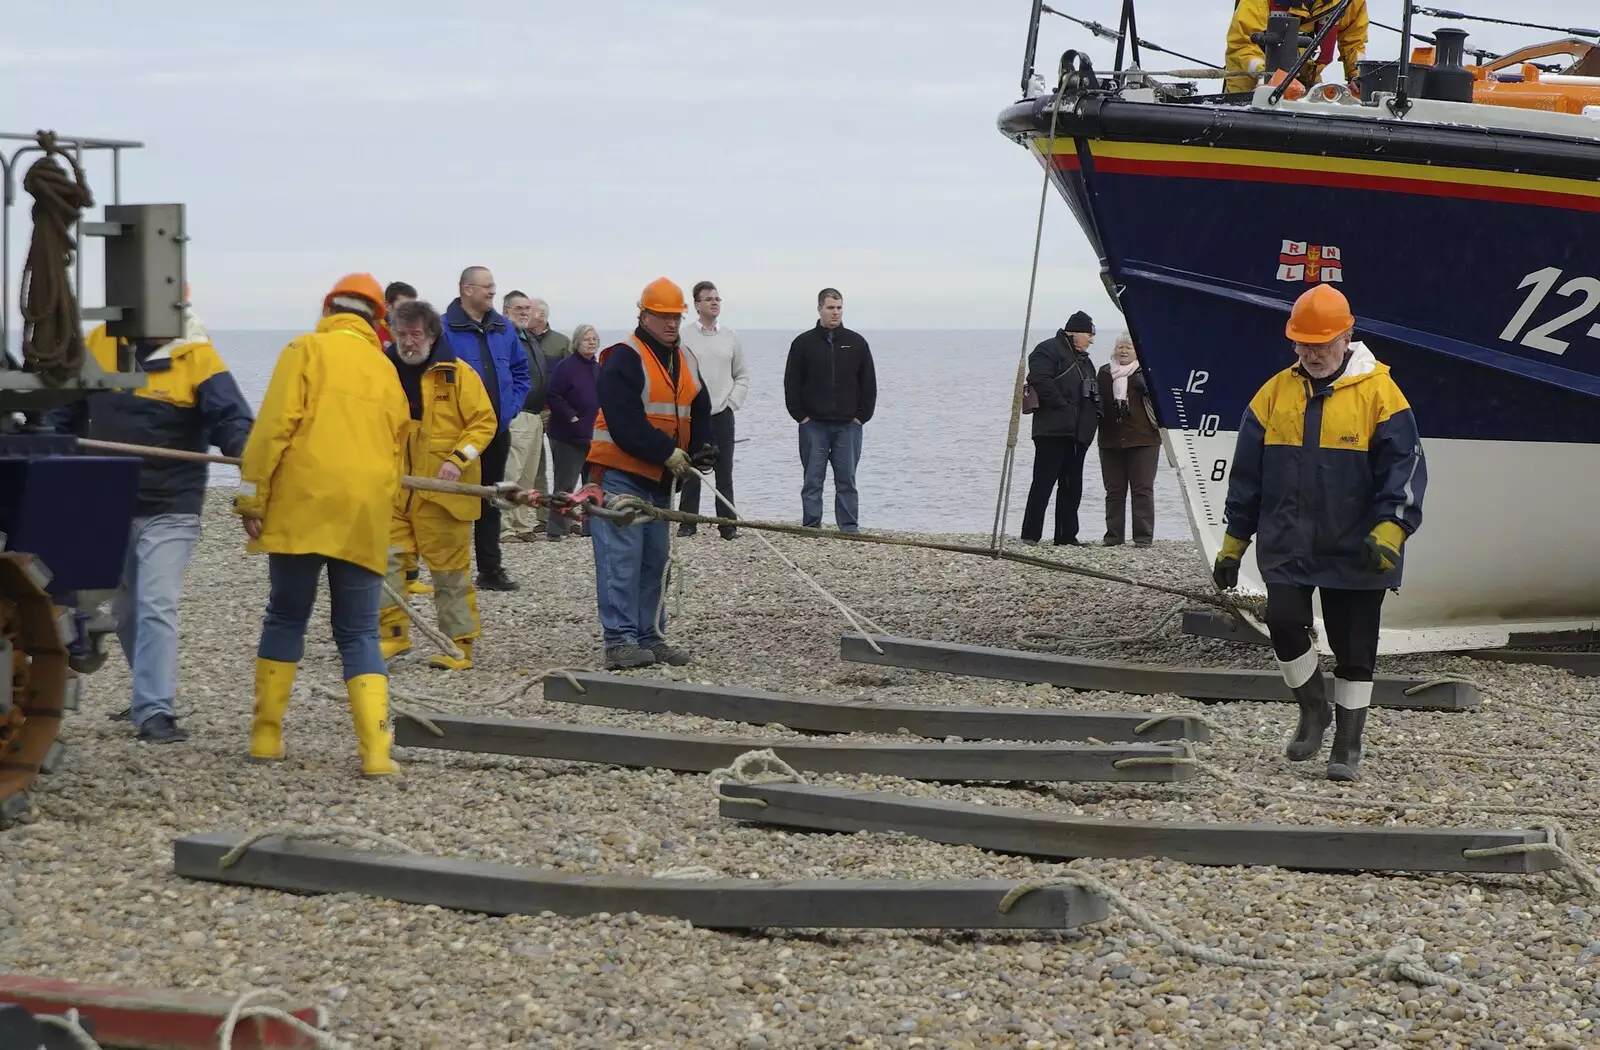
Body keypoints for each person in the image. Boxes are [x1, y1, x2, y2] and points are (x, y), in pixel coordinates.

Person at [1213, 284, 1425, 782]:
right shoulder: (1272, 395)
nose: (1312, 353)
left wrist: (1391, 530)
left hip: (1358, 547)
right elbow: (1246, 477)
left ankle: (1348, 745)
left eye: (1322, 344)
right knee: (1283, 621)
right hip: (1288, 541)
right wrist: (1232, 545)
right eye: (1303, 344)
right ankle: (1313, 708)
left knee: (1355, 649)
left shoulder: (1381, 394)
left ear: (1347, 336)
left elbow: (1407, 470)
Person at [49, 289, 253, 743]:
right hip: (109, 498)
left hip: (171, 503)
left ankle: (154, 710)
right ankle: (147, 695)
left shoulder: (197, 355)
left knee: (157, 604)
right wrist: (52, 455)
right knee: (126, 611)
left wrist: (246, 455)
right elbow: (66, 411)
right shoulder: (99, 342)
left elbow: (233, 420)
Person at [234, 273, 411, 777]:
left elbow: (273, 428)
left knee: (286, 615)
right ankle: (376, 754)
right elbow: (398, 447)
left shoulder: (305, 349)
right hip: (364, 511)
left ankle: (266, 736)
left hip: (303, 504)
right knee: (357, 630)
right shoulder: (385, 369)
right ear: (378, 320)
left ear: (329, 308)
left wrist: (252, 496)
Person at [587, 278, 712, 669]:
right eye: (662, 316)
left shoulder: (685, 358)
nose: (671, 323)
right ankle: (620, 641)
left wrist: (702, 450)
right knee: (621, 561)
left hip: (659, 478)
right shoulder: (624, 357)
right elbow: (624, 423)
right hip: (620, 475)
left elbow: (700, 407)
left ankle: (650, 636)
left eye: (675, 316)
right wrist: (667, 452)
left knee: (655, 562)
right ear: (643, 314)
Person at [377, 299, 497, 670]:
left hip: (443, 495)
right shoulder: (380, 371)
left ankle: (459, 646)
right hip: (392, 490)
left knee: (449, 574)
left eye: (415, 334)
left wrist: (458, 460)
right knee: (386, 564)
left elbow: (484, 422)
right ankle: (391, 639)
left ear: (431, 335)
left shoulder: (458, 374)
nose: (408, 342)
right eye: (402, 333)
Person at [441, 267, 530, 592]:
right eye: (487, 287)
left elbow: (521, 371)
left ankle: (490, 570)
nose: (493, 292)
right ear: (467, 289)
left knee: (492, 498)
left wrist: (511, 407)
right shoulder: (444, 328)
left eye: (494, 286)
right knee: (453, 500)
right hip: (458, 434)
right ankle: (450, 570)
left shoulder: (503, 328)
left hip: (498, 430)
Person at [783, 288, 876, 532]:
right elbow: (791, 382)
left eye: (839, 308)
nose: (835, 312)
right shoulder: (803, 343)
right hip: (813, 424)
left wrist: (861, 416)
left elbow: (868, 383)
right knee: (813, 479)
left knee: (847, 479)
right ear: (819, 309)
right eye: (830, 308)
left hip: (848, 425)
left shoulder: (856, 343)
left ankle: (848, 527)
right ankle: (812, 525)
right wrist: (800, 416)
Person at [1020, 311, 1100, 546]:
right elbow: (1039, 379)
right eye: (1089, 334)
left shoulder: (1086, 361)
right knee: (1043, 483)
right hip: (1052, 430)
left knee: (1072, 486)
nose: (1091, 340)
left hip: (1079, 433)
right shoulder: (1047, 349)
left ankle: (1066, 536)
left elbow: (1095, 392)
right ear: (1072, 332)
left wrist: (1097, 414)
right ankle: (1030, 535)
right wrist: (1063, 406)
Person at [677, 280, 749, 539]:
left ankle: (727, 526)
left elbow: (741, 375)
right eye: (708, 299)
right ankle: (687, 523)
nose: (714, 302)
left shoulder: (730, 336)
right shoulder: (683, 337)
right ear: (697, 305)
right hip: (693, 414)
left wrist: (732, 402)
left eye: (717, 298)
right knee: (691, 469)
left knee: (724, 472)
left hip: (723, 413)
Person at [380, 281, 429, 597]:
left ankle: (410, 573)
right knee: (394, 511)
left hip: (420, 437)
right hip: (391, 438)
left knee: (418, 507)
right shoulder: (383, 347)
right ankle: (396, 575)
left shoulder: (424, 350)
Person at [1095, 333, 1161, 547]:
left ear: (1137, 351)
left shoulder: (1147, 371)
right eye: (1120, 347)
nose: (1123, 351)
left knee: (1142, 489)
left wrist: (1148, 390)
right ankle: (1113, 536)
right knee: (1114, 490)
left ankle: (1143, 537)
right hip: (1110, 439)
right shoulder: (1104, 373)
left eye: (1128, 348)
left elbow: (1163, 402)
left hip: (1144, 439)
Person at [499, 290, 554, 542]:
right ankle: (504, 526)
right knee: (511, 471)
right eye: (518, 308)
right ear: (506, 310)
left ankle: (521, 524)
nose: (524, 313)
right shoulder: (502, 336)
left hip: (534, 414)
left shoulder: (528, 337)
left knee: (528, 474)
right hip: (516, 413)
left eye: (526, 309)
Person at [1224, 0, 1368, 95]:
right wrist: (1266, 76)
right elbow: (1243, 45)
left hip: (1307, 83)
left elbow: (1354, 42)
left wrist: (1357, 76)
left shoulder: (1348, 2)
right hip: (1249, 89)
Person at [545, 323, 601, 541]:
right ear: (576, 342)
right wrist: (572, 416)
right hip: (567, 435)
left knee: (592, 484)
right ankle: (557, 529)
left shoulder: (598, 368)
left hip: (593, 436)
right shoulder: (565, 367)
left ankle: (590, 527)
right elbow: (554, 395)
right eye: (587, 339)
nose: (592, 342)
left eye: (595, 338)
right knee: (565, 483)